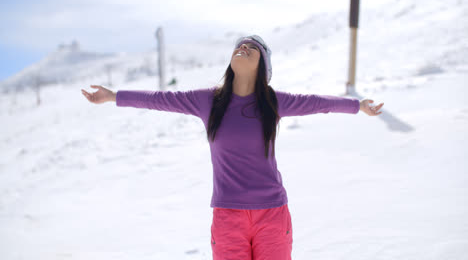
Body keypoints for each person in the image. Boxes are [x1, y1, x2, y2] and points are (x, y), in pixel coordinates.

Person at [81, 35, 384, 260]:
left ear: (263, 65)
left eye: (252, 47)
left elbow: (319, 104)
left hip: (272, 214)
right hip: (227, 216)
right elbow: (160, 99)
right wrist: (114, 96)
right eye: (240, 45)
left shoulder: (271, 102)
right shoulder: (208, 101)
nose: (243, 48)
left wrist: (358, 105)